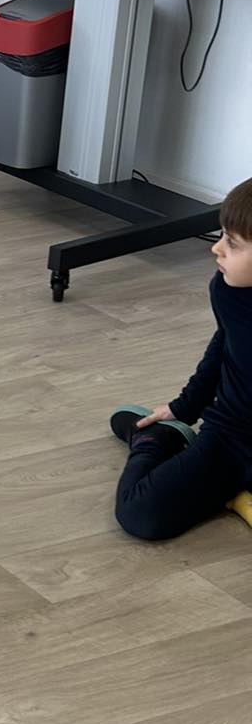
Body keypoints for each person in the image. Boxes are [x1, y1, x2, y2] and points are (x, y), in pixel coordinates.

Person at [110, 177, 252, 540]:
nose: (216, 249)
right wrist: (184, 408)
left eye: (232, 243)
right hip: (233, 438)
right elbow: (223, 347)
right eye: (222, 236)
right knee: (139, 514)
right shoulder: (229, 290)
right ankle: (153, 439)